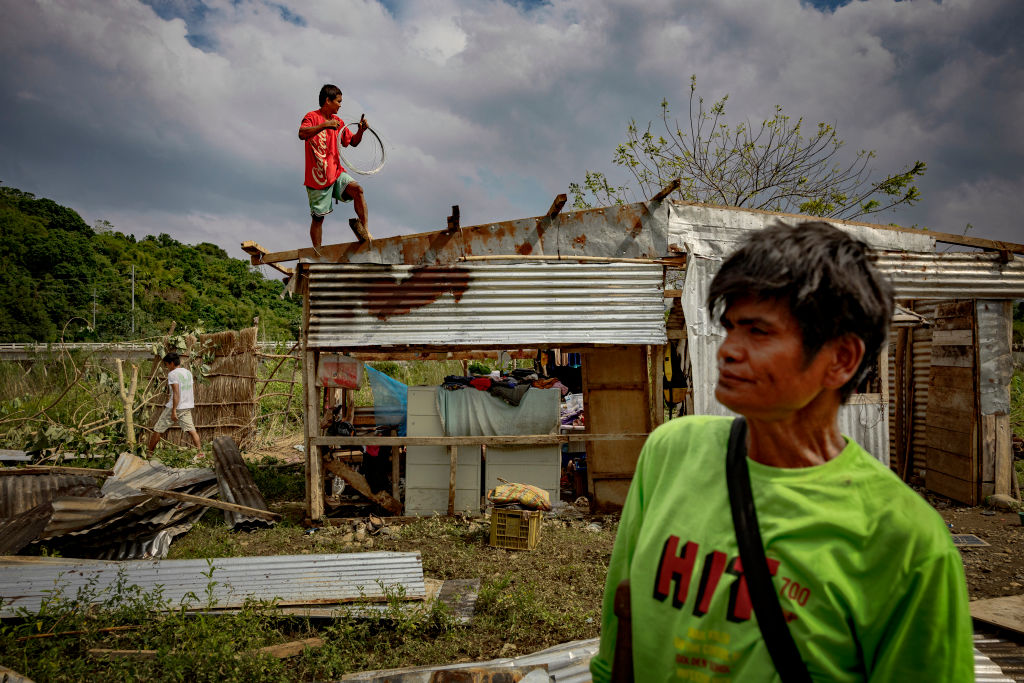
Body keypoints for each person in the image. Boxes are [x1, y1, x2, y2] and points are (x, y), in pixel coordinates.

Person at [590, 221, 973, 682]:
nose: (729, 350)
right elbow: (619, 628)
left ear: (841, 359)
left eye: (759, 331)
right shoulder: (671, 452)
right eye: (730, 327)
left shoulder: (905, 541)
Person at [299, 83, 372, 252]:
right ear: (327, 100)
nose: (340, 104)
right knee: (318, 219)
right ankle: (317, 254)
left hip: (336, 172)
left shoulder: (338, 121)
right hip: (317, 177)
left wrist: (361, 131)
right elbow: (302, 133)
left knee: (358, 190)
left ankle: (365, 231)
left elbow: (352, 142)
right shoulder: (312, 116)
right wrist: (324, 125)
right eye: (338, 101)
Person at [147, 352, 203, 459]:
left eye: (167, 365)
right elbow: (190, 389)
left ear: (171, 363)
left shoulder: (172, 374)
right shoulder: (187, 373)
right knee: (192, 430)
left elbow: (176, 393)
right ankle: (200, 453)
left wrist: (173, 411)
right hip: (187, 406)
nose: (167, 367)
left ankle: (149, 453)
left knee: (158, 428)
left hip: (176, 406)